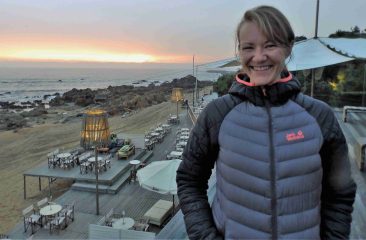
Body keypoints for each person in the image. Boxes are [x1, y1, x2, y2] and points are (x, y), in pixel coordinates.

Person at [176, 5, 356, 239]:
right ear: (239, 52)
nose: (259, 57)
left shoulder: (319, 116)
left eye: (270, 45)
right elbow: (189, 179)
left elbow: (340, 192)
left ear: (288, 47)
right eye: (248, 47)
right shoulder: (217, 114)